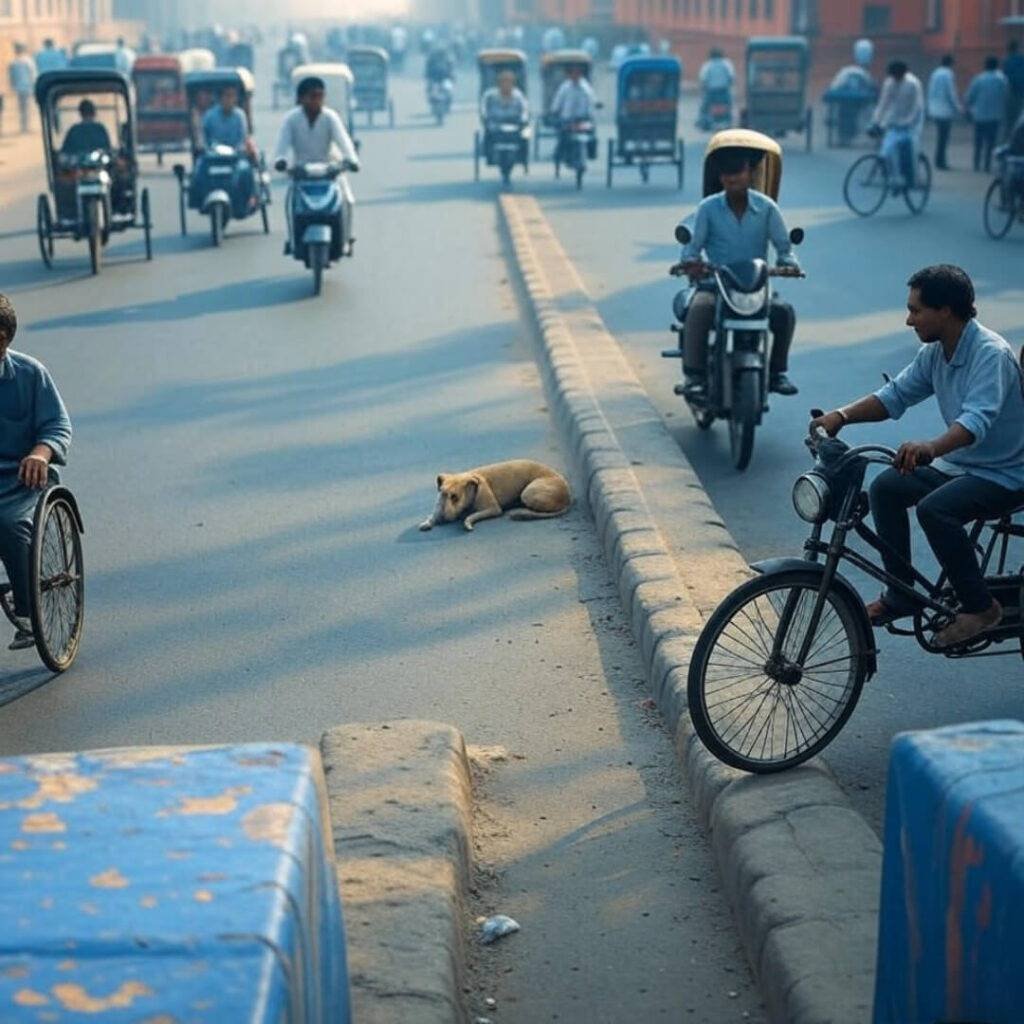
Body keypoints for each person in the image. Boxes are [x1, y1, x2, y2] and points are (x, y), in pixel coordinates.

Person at [810, 265, 1024, 648]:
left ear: (945, 311)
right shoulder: (936, 353)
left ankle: (981, 607)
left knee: (935, 510)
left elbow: (977, 421)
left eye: (916, 310)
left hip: (1004, 473)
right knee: (886, 487)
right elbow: (894, 397)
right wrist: (841, 416)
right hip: (962, 466)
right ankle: (901, 595)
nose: (909, 319)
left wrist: (931, 447)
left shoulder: (990, 354)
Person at [675, 147, 801, 398]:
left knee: (784, 314)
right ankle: (695, 377)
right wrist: (691, 263)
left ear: (749, 174)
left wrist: (789, 264)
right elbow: (692, 248)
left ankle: (777, 373)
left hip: (755, 285)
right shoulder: (708, 208)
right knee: (698, 311)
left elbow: (783, 247)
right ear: (721, 178)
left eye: (739, 173)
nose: (733, 180)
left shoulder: (767, 208)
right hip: (716, 284)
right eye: (728, 174)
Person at [0, 293, 72, 651]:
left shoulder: (30, 374)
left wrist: (41, 454)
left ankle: (27, 610)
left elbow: (57, 425)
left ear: (3, 340)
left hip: (21, 482)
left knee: (9, 525)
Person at [274, 75, 360, 253]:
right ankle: (293, 241)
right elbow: (281, 146)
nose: (317, 100)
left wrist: (351, 160)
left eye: (320, 96)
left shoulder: (330, 117)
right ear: (301, 98)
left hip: (329, 168)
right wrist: (280, 161)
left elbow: (344, 141)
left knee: (349, 200)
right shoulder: (291, 119)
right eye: (312, 96)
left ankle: (347, 240)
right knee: (290, 202)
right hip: (302, 171)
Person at [871, 60, 924, 189]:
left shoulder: (913, 84)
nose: (895, 78)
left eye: (897, 76)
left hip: (912, 122)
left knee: (911, 149)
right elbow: (883, 103)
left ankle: (914, 179)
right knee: (888, 149)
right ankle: (895, 178)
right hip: (895, 120)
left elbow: (917, 107)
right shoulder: (889, 83)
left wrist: (908, 121)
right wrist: (876, 121)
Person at [826, 38, 877, 146]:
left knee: (849, 114)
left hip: (847, 101)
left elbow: (834, 87)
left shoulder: (847, 71)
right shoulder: (857, 73)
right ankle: (848, 136)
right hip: (853, 102)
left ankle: (846, 136)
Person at [966, 56, 1009, 174]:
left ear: (985, 65)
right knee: (991, 142)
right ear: (996, 65)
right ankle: (987, 164)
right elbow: (1006, 96)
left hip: (979, 115)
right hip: (995, 116)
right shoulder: (1002, 79)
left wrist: (968, 109)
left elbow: (970, 96)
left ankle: (976, 164)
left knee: (978, 141)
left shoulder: (979, 79)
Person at [549, 64, 595, 163]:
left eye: (578, 73)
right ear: (570, 75)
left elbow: (592, 101)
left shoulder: (586, 88)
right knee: (563, 138)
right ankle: (559, 156)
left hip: (583, 119)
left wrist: (593, 110)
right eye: (573, 73)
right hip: (567, 120)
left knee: (592, 137)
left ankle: (591, 154)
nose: (576, 75)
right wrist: (554, 110)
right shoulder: (565, 88)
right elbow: (558, 101)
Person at [480, 68, 529, 161]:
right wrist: (485, 117)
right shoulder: (490, 95)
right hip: (496, 123)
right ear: (498, 83)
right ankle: (488, 153)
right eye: (503, 81)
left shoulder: (518, 95)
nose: (506, 84)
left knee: (527, 132)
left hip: (515, 122)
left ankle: (524, 155)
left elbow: (525, 109)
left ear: (513, 83)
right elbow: (484, 108)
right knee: (487, 133)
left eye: (509, 81)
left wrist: (524, 119)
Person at [927, 55, 962, 170]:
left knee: (941, 137)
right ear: (950, 63)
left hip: (935, 108)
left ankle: (939, 160)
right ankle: (941, 161)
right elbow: (951, 93)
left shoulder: (935, 73)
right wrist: (958, 107)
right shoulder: (948, 74)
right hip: (945, 110)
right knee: (944, 138)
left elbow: (931, 90)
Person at [697, 47, 734, 129]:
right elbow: (731, 77)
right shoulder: (726, 64)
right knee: (729, 104)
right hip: (723, 90)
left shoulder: (708, 65)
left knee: (704, 107)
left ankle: (703, 121)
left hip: (711, 91)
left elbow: (703, 78)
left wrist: (703, 88)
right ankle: (728, 120)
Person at [8, 44, 35, 134]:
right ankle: (26, 127)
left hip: (19, 87)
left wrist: (12, 86)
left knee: (21, 107)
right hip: (26, 86)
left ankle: (24, 127)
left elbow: (11, 76)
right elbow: (32, 74)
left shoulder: (13, 62)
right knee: (26, 107)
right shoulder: (28, 61)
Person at [1003, 40, 1024, 138]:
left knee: (1010, 120)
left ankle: (1009, 139)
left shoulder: (1007, 61)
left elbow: (1006, 77)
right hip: (1021, 92)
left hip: (1011, 92)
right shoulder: (1022, 59)